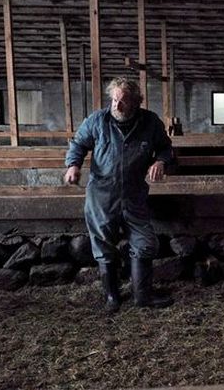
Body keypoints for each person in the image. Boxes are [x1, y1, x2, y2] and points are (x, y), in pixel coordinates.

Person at [64, 77, 173, 312]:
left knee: (144, 242)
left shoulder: (150, 122)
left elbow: (165, 147)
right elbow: (78, 144)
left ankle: (142, 296)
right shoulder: (97, 120)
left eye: (123, 101)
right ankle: (112, 298)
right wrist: (73, 165)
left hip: (134, 194)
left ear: (136, 102)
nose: (117, 105)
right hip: (102, 194)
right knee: (103, 242)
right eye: (114, 100)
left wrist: (161, 161)